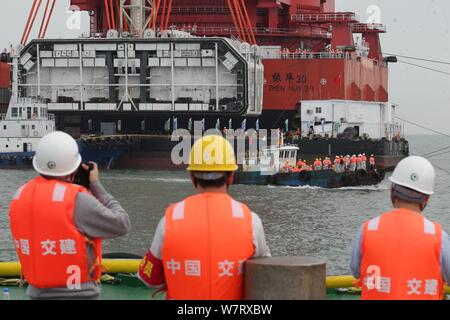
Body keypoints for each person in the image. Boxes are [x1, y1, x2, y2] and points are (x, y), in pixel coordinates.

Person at [138, 135, 271, 300]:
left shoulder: (170, 219)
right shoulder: (251, 221)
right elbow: (265, 275)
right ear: (231, 176)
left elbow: (149, 278)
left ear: (192, 177)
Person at [9, 131, 130, 300]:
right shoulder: (76, 200)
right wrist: (96, 186)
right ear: (74, 167)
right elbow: (122, 224)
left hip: (36, 294)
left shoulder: (19, 196)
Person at [350, 156, 450, 300]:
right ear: (426, 199)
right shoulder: (439, 236)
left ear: (392, 191)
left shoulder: (368, 229)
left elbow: (356, 271)